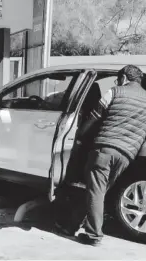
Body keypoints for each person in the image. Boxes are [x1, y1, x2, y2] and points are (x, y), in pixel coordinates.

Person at [57, 65, 146, 246]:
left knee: (95, 191)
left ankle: (93, 235)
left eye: (118, 79)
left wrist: (80, 136)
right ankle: (71, 226)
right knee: (97, 191)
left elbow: (94, 116)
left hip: (105, 149)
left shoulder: (114, 92)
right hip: (127, 155)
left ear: (123, 78)